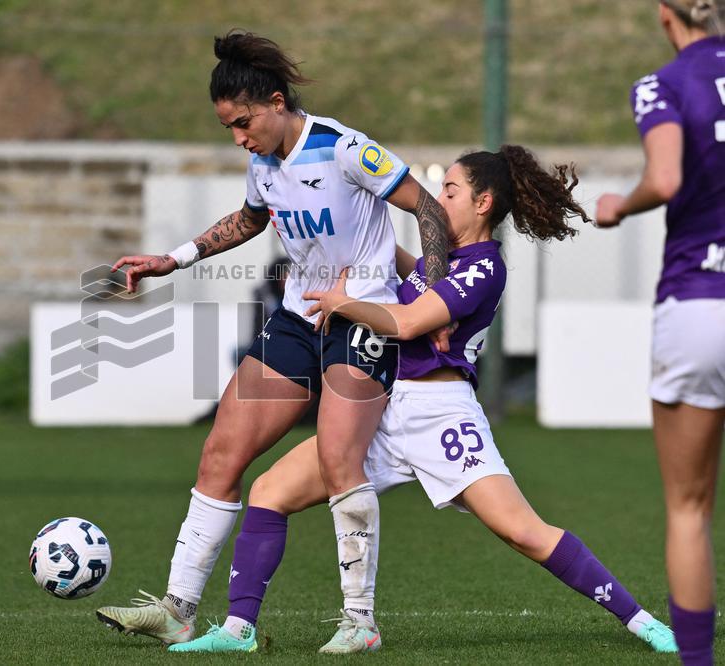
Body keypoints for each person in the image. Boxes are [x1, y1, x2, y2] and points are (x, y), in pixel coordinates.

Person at [168, 146, 678, 655]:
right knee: (269, 491)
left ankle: (641, 621)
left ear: (483, 203)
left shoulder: (483, 267)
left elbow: (409, 322)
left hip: (441, 417)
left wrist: (344, 302)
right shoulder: (441, 262)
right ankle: (238, 631)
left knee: (524, 532)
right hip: (383, 411)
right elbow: (394, 267)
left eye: (450, 191)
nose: (438, 199)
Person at [96, 30, 452, 644]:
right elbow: (250, 220)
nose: (239, 138)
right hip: (295, 321)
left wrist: (435, 303)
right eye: (230, 128)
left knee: (340, 460)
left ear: (277, 102)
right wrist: (171, 259)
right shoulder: (263, 162)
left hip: (359, 320)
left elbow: (430, 210)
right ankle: (179, 609)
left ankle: (360, 621)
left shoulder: (343, 149)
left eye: (243, 123)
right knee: (220, 453)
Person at [595, 2, 725, 663]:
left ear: (665, 13)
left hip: (700, 301)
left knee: (689, 506)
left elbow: (667, 177)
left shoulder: (662, 83)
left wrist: (621, 203)